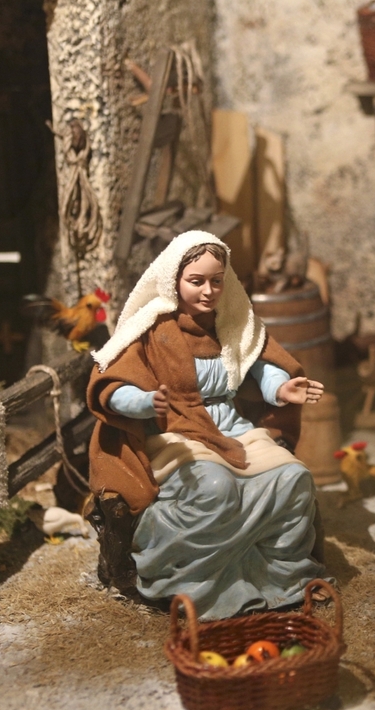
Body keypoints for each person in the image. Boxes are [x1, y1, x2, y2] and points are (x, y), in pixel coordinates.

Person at [87, 231, 328, 620]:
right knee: (214, 487)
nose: (209, 291)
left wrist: (280, 388)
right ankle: (201, 584)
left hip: (231, 426)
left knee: (294, 478)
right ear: (173, 280)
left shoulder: (232, 322)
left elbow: (257, 364)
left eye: (217, 280)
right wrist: (145, 402)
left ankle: (280, 578)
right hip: (174, 431)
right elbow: (113, 387)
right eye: (196, 281)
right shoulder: (151, 328)